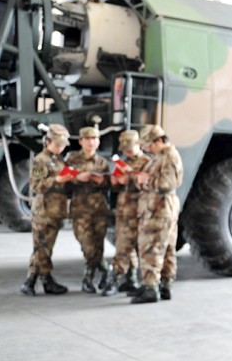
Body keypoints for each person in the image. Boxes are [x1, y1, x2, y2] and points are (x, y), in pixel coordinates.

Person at [130, 124, 183, 304]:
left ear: (159, 140)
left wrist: (146, 180)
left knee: (152, 248)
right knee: (166, 249)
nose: (147, 149)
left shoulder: (169, 156)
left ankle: (151, 287)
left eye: (149, 145)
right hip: (159, 209)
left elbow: (167, 184)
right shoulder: (160, 156)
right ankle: (164, 286)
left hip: (159, 210)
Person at [20, 124, 73, 296]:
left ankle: (42, 280)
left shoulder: (59, 160)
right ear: (47, 142)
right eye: (57, 145)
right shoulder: (40, 160)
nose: (60, 148)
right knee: (41, 246)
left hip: (56, 210)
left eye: (63, 145)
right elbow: (36, 186)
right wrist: (57, 180)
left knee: (46, 246)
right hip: (43, 210)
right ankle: (33, 280)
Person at [101, 129, 151, 296]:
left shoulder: (147, 162)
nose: (127, 152)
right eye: (125, 149)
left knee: (134, 247)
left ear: (138, 144)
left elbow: (149, 184)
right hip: (124, 211)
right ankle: (128, 279)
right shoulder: (122, 162)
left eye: (130, 148)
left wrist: (130, 177)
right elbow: (116, 185)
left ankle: (118, 279)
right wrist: (115, 181)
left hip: (140, 211)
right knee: (123, 245)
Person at [66, 126, 111, 293]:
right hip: (80, 208)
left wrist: (102, 181)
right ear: (80, 141)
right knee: (88, 246)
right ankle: (106, 270)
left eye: (94, 139)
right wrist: (77, 178)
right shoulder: (71, 160)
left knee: (98, 245)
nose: (91, 142)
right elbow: (63, 180)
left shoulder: (102, 162)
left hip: (99, 208)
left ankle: (88, 279)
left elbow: (109, 185)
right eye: (87, 139)